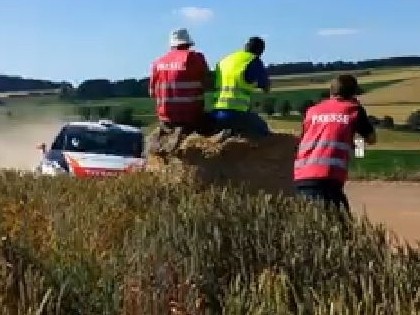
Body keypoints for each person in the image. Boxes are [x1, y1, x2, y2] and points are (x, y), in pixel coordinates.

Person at [294, 74, 377, 214]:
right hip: (328, 177)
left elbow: (304, 137)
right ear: (353, 93)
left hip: (302, 176)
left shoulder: (312, 111)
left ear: (331, 92)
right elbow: (371, 138)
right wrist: (357, 141)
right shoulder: (353, 109)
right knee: (341, 228)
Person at [148, 28, 212, 154]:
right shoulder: (194, 57)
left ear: (172, 45)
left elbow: (151, 93)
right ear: (188, 43)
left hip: (165, 118)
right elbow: (208, 84)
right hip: (191, 116)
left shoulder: (158, 62)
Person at [210, 36, 271, 138]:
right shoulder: (253, 60)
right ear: (260, 52)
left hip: (215, 113)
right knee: (264, 132)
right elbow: (265, 86)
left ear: (245, 46)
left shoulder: (224, 60)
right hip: (236, 114)